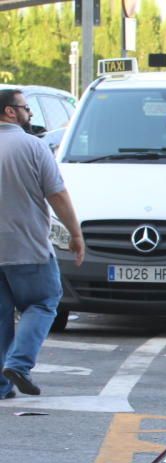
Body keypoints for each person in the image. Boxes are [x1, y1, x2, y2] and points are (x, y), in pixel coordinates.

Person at [0, 89, 85, 399]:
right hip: (27, 246)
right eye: (25, 108)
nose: (30, 114)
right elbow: (58, 194)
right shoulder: (32, 146)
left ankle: (1, 384)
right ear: (10, 112)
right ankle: (19, 365)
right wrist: (76, 234)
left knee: (1, 316)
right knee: (44, 301)